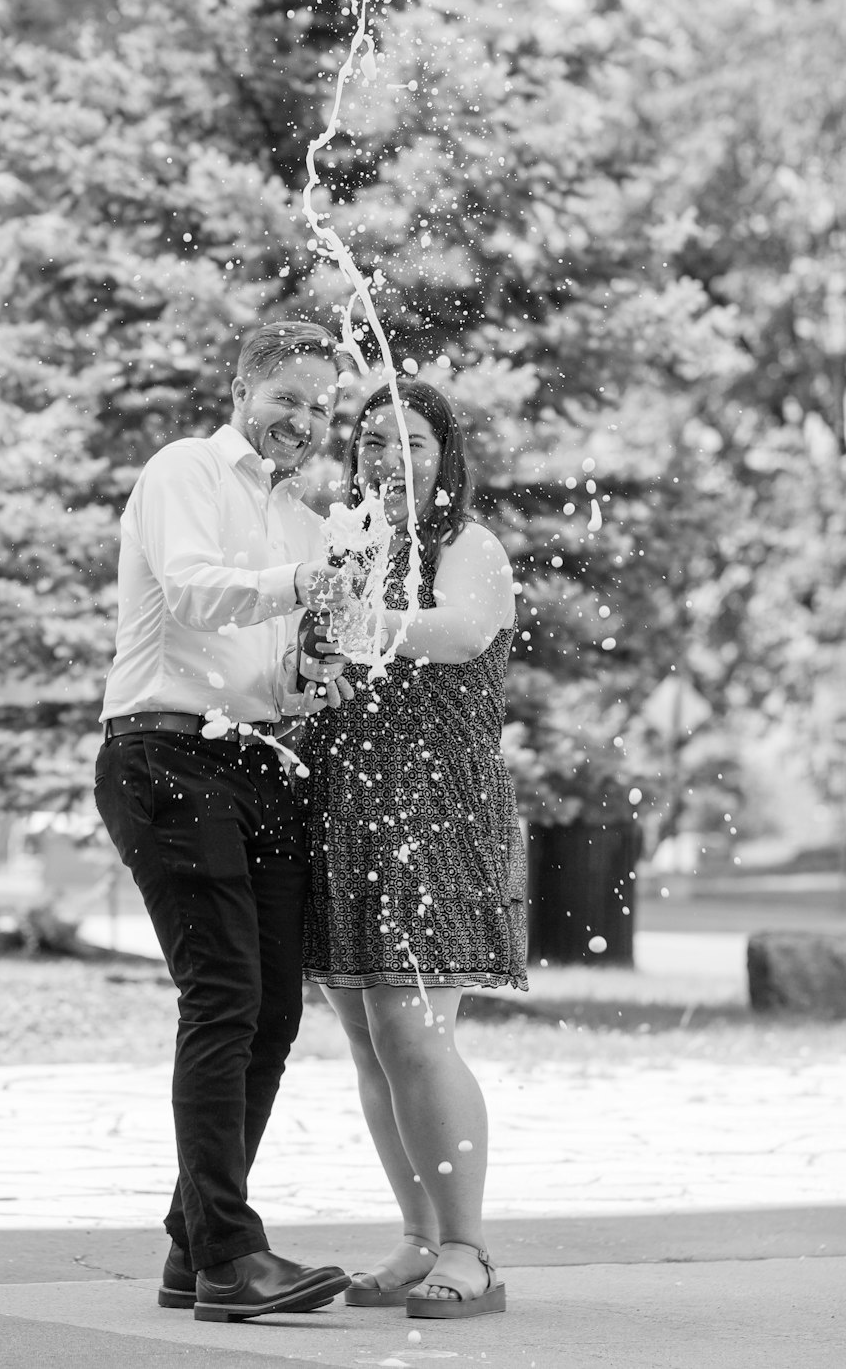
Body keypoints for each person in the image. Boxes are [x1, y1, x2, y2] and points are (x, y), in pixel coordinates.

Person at [94, 319, 356, 1323]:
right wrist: (298, 586)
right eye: (286, 396)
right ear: (243, 387)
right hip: (163, 754)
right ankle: (232, 1259)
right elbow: (197, 596)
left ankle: (189, 1247)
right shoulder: (183, 471)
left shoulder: (302, 521)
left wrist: (308, 672)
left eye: (319, 405)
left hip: (256, 760)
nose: (302, 419)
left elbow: (270, 670)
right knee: (222, 998)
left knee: (275, 1012)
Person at [298, 378, 529, 1320]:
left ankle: (471, 1252)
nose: (391, 459)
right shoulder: (342, 546)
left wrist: (355, 626)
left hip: (438, 811)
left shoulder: (467, 548)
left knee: (416, 1032)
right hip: (349, 812)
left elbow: (460, 631)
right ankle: (418, 1235)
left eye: (415, 443)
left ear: (448, 460)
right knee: (367, 1036)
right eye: (374, 442)